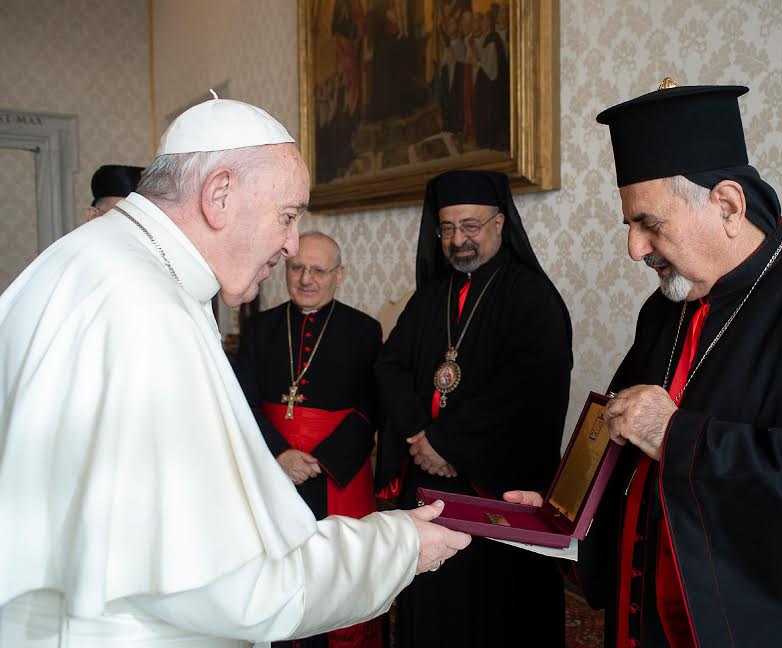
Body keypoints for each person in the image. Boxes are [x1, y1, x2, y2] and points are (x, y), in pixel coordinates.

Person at [0, 95, 470, 647]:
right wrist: (399, 546)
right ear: (219, 194)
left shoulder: (90, 259)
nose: (291, 245)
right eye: (288, 216)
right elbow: (233, 585)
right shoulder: (145, 310)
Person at [506, 79, 782, 646]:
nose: (635, 249)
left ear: (727, 205)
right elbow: (624, 447)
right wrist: (567, 514)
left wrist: (679, 437)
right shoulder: (664, 311)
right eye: (630, 225)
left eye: (650, 223)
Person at [374, 169, 573, 648]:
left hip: (493, 490)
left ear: (500, 223)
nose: (457, 239)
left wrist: (447, 443)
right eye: (447, 228)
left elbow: (530, 388)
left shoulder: (532, 297)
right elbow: (390, 365)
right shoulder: (430, 296)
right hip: (430, 485)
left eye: (470, 226)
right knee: (433, 611)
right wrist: (420, 435)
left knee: (494, 614)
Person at [233, 231, 383, 648]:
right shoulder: (260, 328)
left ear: (340, 275)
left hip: (337, 473)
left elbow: (370, 408)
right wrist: (280, 454)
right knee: (275, 577)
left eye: (319, 270)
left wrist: (322, 461)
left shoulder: (363, 330)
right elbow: (241, 402)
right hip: (273, 469)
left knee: (335, 577)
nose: (306, 279)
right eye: (297, 267)